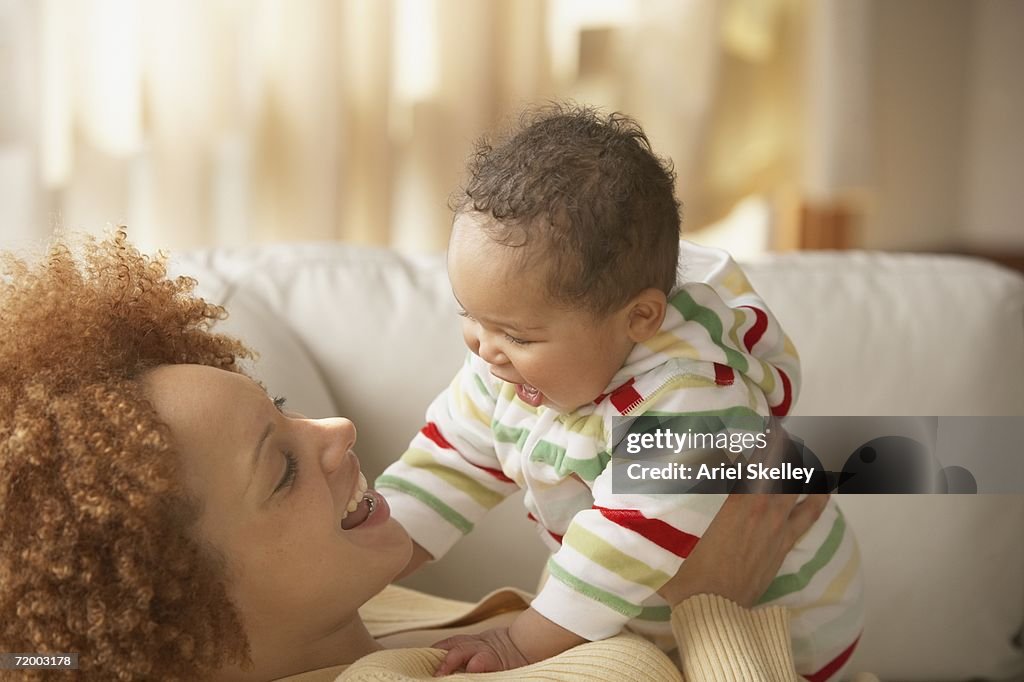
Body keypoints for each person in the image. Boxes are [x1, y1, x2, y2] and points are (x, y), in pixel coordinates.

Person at [0, 230, 862, 681]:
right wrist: (715, 603)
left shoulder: (363, 614)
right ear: (179, 623)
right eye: (284, 466)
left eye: (289, 412)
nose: (336, 432)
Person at [375, 104, 863, 678]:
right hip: (635, 615)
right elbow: (443, 466)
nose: (484, 348)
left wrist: (519, 645)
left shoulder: (691, 397)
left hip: (786, 624)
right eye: (471, 316)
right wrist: (364, 560)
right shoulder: (502, 371)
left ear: (639, 318)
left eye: (516, 333)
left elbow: (625, 540)